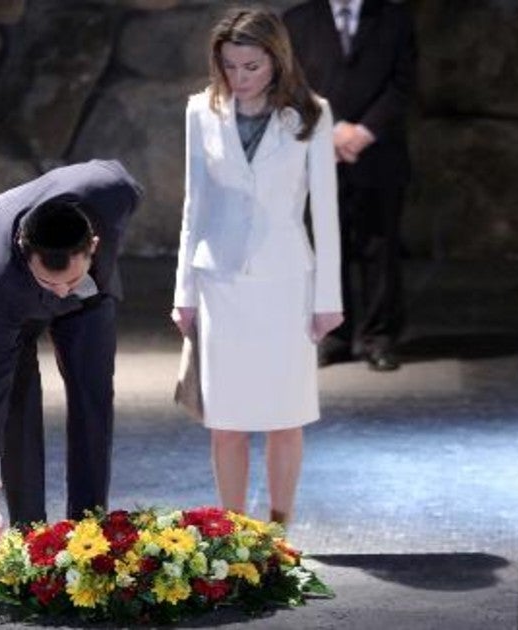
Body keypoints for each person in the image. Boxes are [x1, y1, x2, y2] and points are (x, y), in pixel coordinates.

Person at [171, 7, 342, 526]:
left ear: (276, 61)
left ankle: (280, 527)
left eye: (251, 66)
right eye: (229, 66)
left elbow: (326, 213)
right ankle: (234, 531)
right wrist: (184, 290)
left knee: (285, 419)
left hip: (287, 283)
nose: (238, 78)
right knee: (226, 422)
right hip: (220, 284)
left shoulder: (311, 114)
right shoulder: (201, 111)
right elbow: (193, 205)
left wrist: (328, 299)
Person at [0, 160, 141, 558]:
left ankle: (88, 531)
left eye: (69, 279)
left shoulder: (115, 191)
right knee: (17, 398)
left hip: (93, 291)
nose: (61, 292)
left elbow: (76, 279)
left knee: (93, 392)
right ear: (24, 253)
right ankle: (31, 537)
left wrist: (70, 284)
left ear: (95, 246)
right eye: (51, 283)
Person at [283, 0, 417, 371]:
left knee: (380, 245)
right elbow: (291, 85)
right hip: (318, 151)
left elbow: (403, 84)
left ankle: (380, 337)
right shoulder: (298, 20)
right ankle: (333, 335)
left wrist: (363, 132)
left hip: (379, 151)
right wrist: (334, 129)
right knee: (325, 247)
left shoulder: (394, 17)